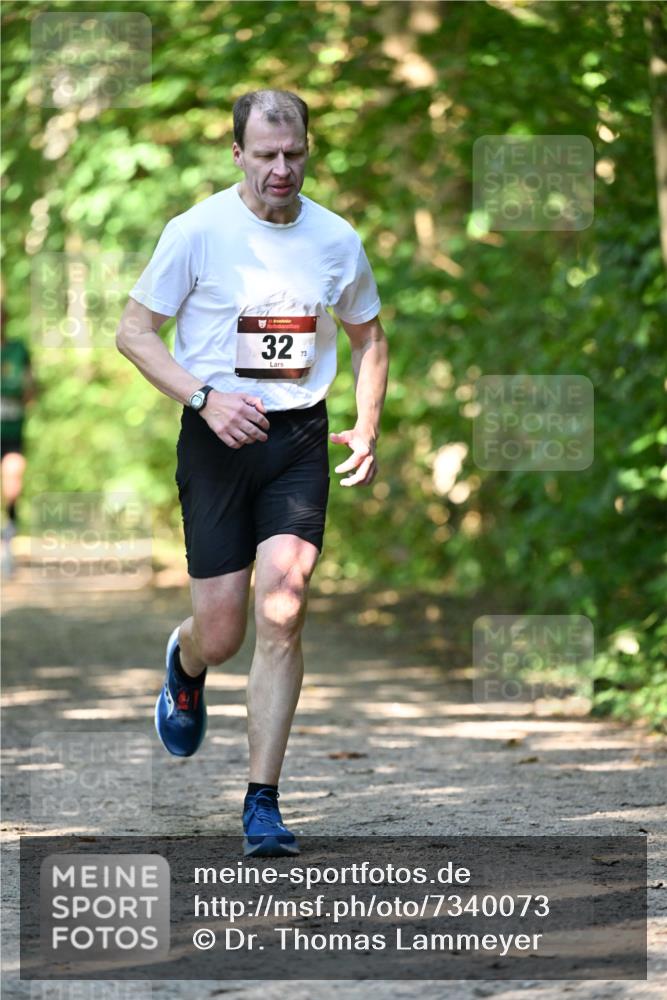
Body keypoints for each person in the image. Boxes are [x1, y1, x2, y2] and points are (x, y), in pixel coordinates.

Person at [116, 90, 389, 857]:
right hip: (215, 440)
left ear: (308, 149)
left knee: (285, 607)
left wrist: (366, 422)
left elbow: (368, 337)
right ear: (236, 153)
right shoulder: (197, 231)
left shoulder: (335, 239)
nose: (281, 169)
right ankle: (187, 659)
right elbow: (134, 333)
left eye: (293, 154)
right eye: (265, 155)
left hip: (297, 438)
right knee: (225, 631)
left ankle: (261, 802)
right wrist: (203, 399)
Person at [1, 306, 35, 573]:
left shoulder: (18, 351)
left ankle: (9, 533)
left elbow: (30, 390)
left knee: (13, 478)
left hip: (11, 432)